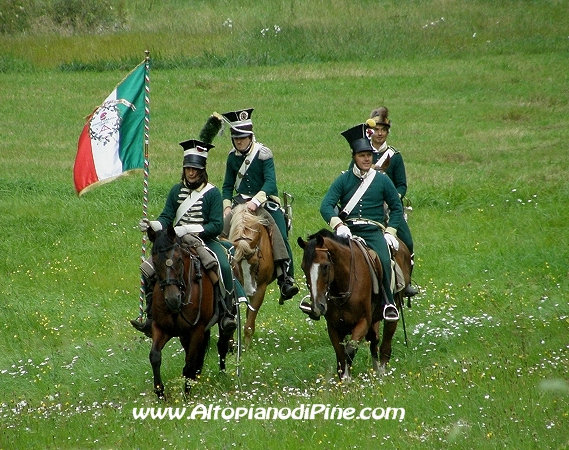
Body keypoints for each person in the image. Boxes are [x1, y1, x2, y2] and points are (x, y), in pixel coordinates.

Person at [130, 139, 237, 336]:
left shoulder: (212, 193)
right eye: (188, 168)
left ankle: (227, 312)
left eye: (195, 169)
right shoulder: (175, 191)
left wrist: (187, 228)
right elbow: (166, 217)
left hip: (203, 240)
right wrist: (153, 224)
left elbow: (216, 225)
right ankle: (150, 316)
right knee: (148, 268)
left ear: (202, 170)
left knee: (221, 266)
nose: (191, 172)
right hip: (176, 242)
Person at [311, 122, 405, 322]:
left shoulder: (382, 180)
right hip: (348, 231)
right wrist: (338, 225)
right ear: (354, 157)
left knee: (384, 259)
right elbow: (326, 205)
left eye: (369, 156)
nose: (366, 159)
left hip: (373, 231)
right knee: (324, 258)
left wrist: (390, 231)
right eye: (362, 156)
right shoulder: (344, 180)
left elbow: (397, 207)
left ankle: (387, 302)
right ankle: (320, 297)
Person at [220, 108, 299, 303]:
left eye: (243, 137)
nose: (240, 141)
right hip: (240, 203)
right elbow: (227, 186)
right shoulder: (232, 157)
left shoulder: (263, 154)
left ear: (250, 136)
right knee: (219, 231)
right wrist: (227, 207)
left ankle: (286, 277)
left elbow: (270, 182)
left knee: (279, 231)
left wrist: (256, 201)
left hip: (264, 202)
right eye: (236, 138)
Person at [367, 107, 418, 297]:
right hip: (367, 206)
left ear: (387, 132)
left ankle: (407, 282)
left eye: (383, 130)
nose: (380, 134)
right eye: (377, 130)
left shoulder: (394, 156)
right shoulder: (362, 152)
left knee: (408, 242)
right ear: (370, 132)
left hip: (389, 208)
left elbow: (402, 184)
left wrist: (394, 198)